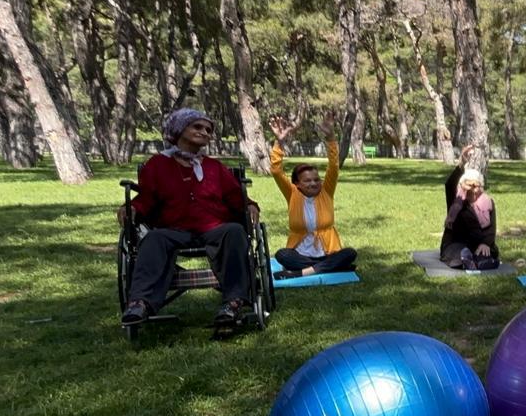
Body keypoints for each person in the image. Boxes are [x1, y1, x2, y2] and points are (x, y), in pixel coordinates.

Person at [119, 108, 258, 327]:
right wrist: (132, 209)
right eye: (197, 126)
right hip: (173, 228)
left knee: (234, 232)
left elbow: (235, 197)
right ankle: (140, 302)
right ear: (179, 128)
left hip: (214, 226)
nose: (204, 132)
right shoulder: (157, 165)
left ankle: (233, 302)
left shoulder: (214, 167)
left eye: (208, 129)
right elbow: (146, 198)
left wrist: (249, 206)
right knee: (153, 240)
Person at [268, 114, 357, 279]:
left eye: (316, 179)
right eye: (307, 181)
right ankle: (330, 268)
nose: (313, 183)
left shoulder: (326, 191)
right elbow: (276, 170)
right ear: (297, 184)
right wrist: (279, 142)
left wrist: (330, 137)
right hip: (301, 256)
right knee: (282, 255)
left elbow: (334, 166)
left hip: (328, 253)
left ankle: (302, 273)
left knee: (350, 253)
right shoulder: (292, 193)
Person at [440, 144, 501, 270]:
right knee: (459, 253)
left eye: (476, 186)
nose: (472, 189)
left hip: (478, 243)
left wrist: (485, 243)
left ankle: (478, 261)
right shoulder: (457, 199)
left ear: (481, 187)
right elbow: (450, 184)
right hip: (456, 243)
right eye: (469, 185)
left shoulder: (488, 202)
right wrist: (462, 162)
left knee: (490, 251)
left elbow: (491, 229)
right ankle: (470, 260)